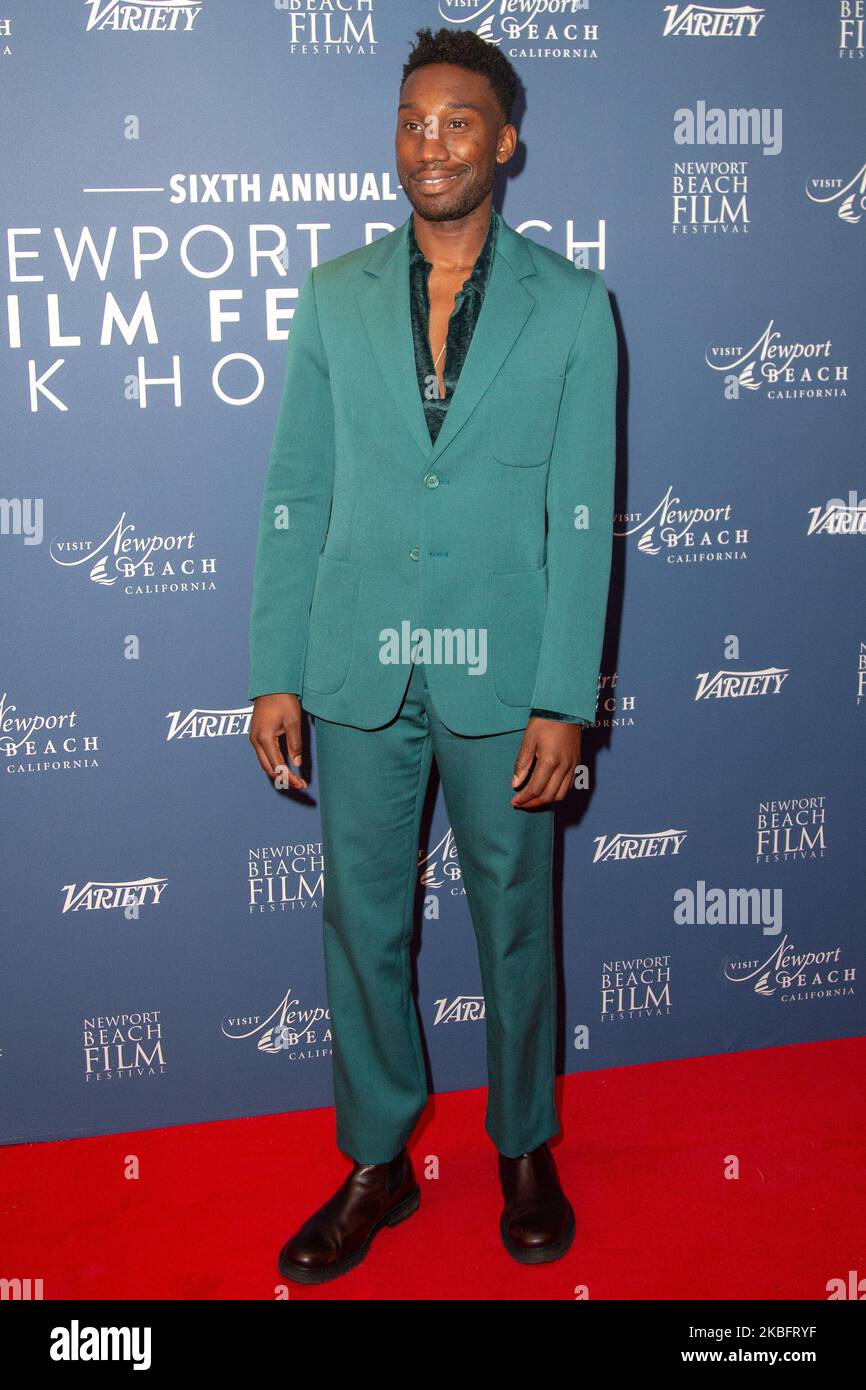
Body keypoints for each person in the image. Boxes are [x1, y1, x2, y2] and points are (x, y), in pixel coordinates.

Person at [248, 26, 617, 1284]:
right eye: (412, 122)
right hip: (357, 666)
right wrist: (276, 668)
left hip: (501, 671)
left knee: (513, 916)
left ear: (504, 141)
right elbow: (296, 492)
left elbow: (581, 520)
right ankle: (377, 1159)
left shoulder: (570, 306)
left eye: (457, 122)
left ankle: (522, 1144)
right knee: (362, 922)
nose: (430, 145)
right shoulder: (330, 295)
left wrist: (563, 696)